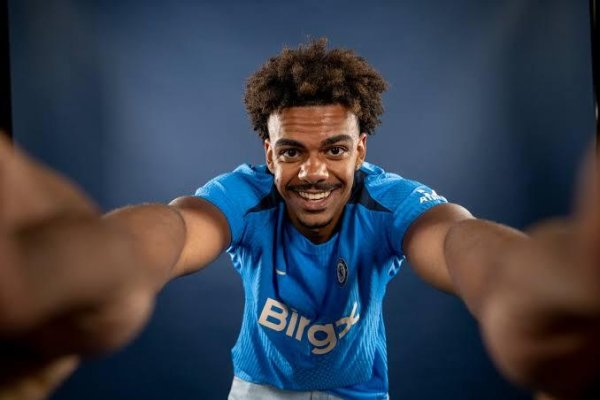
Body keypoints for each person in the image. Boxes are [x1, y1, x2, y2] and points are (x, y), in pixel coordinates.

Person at [0, 39, 598, 400]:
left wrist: (538, 285)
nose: (313, 172)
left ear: (360, 151)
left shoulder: (391, 201)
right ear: (269, 155)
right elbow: (176, 233)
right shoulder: (245, 195)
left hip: (358, 392)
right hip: (258, 391)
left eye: (335, 149)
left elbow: (457, 245)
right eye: (292, 152)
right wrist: (80, 263)